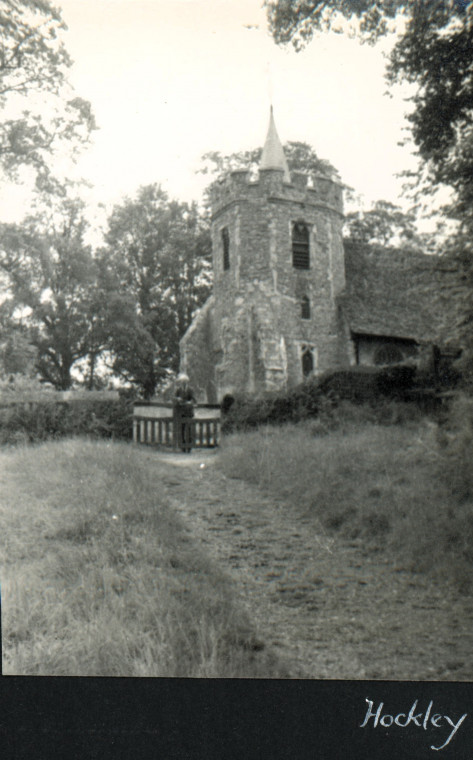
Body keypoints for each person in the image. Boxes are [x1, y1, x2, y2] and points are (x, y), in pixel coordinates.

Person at [173, 373, 196, 452]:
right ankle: (182, 447)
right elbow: (174, 398)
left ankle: (189, 447)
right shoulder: (178, 390)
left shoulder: (190, 389)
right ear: (180, 382)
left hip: (189, 412)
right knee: (181, 429)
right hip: (181, 412)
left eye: (185, 381)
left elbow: (194, 399)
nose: (183, 383)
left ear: (187, 382)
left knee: (189, 429)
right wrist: (177, 399)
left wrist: (190, 402)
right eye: (182, 381)